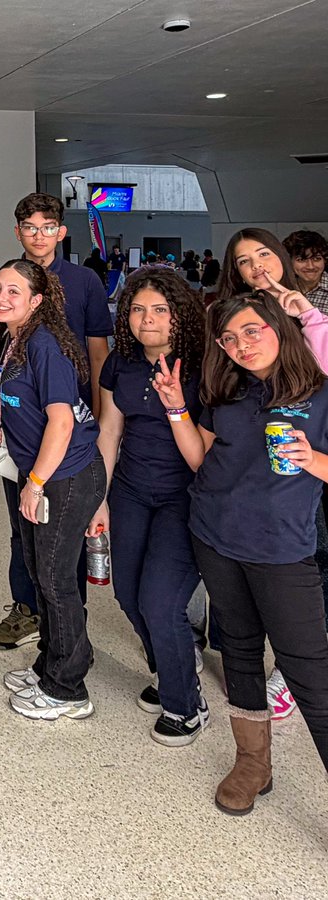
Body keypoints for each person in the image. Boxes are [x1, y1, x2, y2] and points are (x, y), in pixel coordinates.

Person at [156, 291, 328, 813]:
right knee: (239, 651)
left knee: (309, 672)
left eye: (252, 331)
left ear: (279, 326)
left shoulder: (321, 393)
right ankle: (253, 763)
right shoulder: (226, 389)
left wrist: (314, 458)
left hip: (282, 549)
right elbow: (200, 458)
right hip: (215, 535)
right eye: (229, 339)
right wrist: (176, 410)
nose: (241, 346)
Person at [0, 259, 105, 721]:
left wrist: (36, 483)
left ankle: (68, 688)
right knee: (38, 569)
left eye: (14, 292)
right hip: (43, 473)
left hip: (64, 476)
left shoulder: (45, 345)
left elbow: (62, 421)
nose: (1, 297)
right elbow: (21, 403)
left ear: (37, 301)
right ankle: (49, 662)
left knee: (56, 579)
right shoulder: (14, 339)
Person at [0, 193, 113, 652]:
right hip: (21, 427)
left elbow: (97, 353)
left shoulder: (84, 283)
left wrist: (94, 413)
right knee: (26, 533)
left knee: (58, 543)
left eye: (47, 226)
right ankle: (30, 613)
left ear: (61, 231)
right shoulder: (6, 280)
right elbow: (0, 355)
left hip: (62, 429)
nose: (38, 235)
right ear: (18, 232)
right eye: (29, 227)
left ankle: (65, 629)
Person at [86, 268, 209, 746]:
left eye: (160, 310)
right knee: (128, 595)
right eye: (138, 309)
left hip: (187, 497)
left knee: (161, 601)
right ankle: (171, 668)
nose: (148, 319)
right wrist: (100, 499)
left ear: (180, 316)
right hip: (132, 492)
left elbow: (205, 452)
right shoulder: (122, 364)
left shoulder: (204, 366)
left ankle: (186, 703)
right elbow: (110, 432)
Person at [218, 226, 328, 719]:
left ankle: (291, 666)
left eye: (264, 254)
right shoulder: (233, 322)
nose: (257, 266)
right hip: (255, 465)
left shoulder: (309, 310)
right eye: (244, 261)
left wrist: (304, 315)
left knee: (311, 561)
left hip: (312, 451)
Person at [282, 229, 328, 313]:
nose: (310, 266)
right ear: (289, 262)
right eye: (301, 260)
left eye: (316, 259)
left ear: (325, 260)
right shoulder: (282, 289)